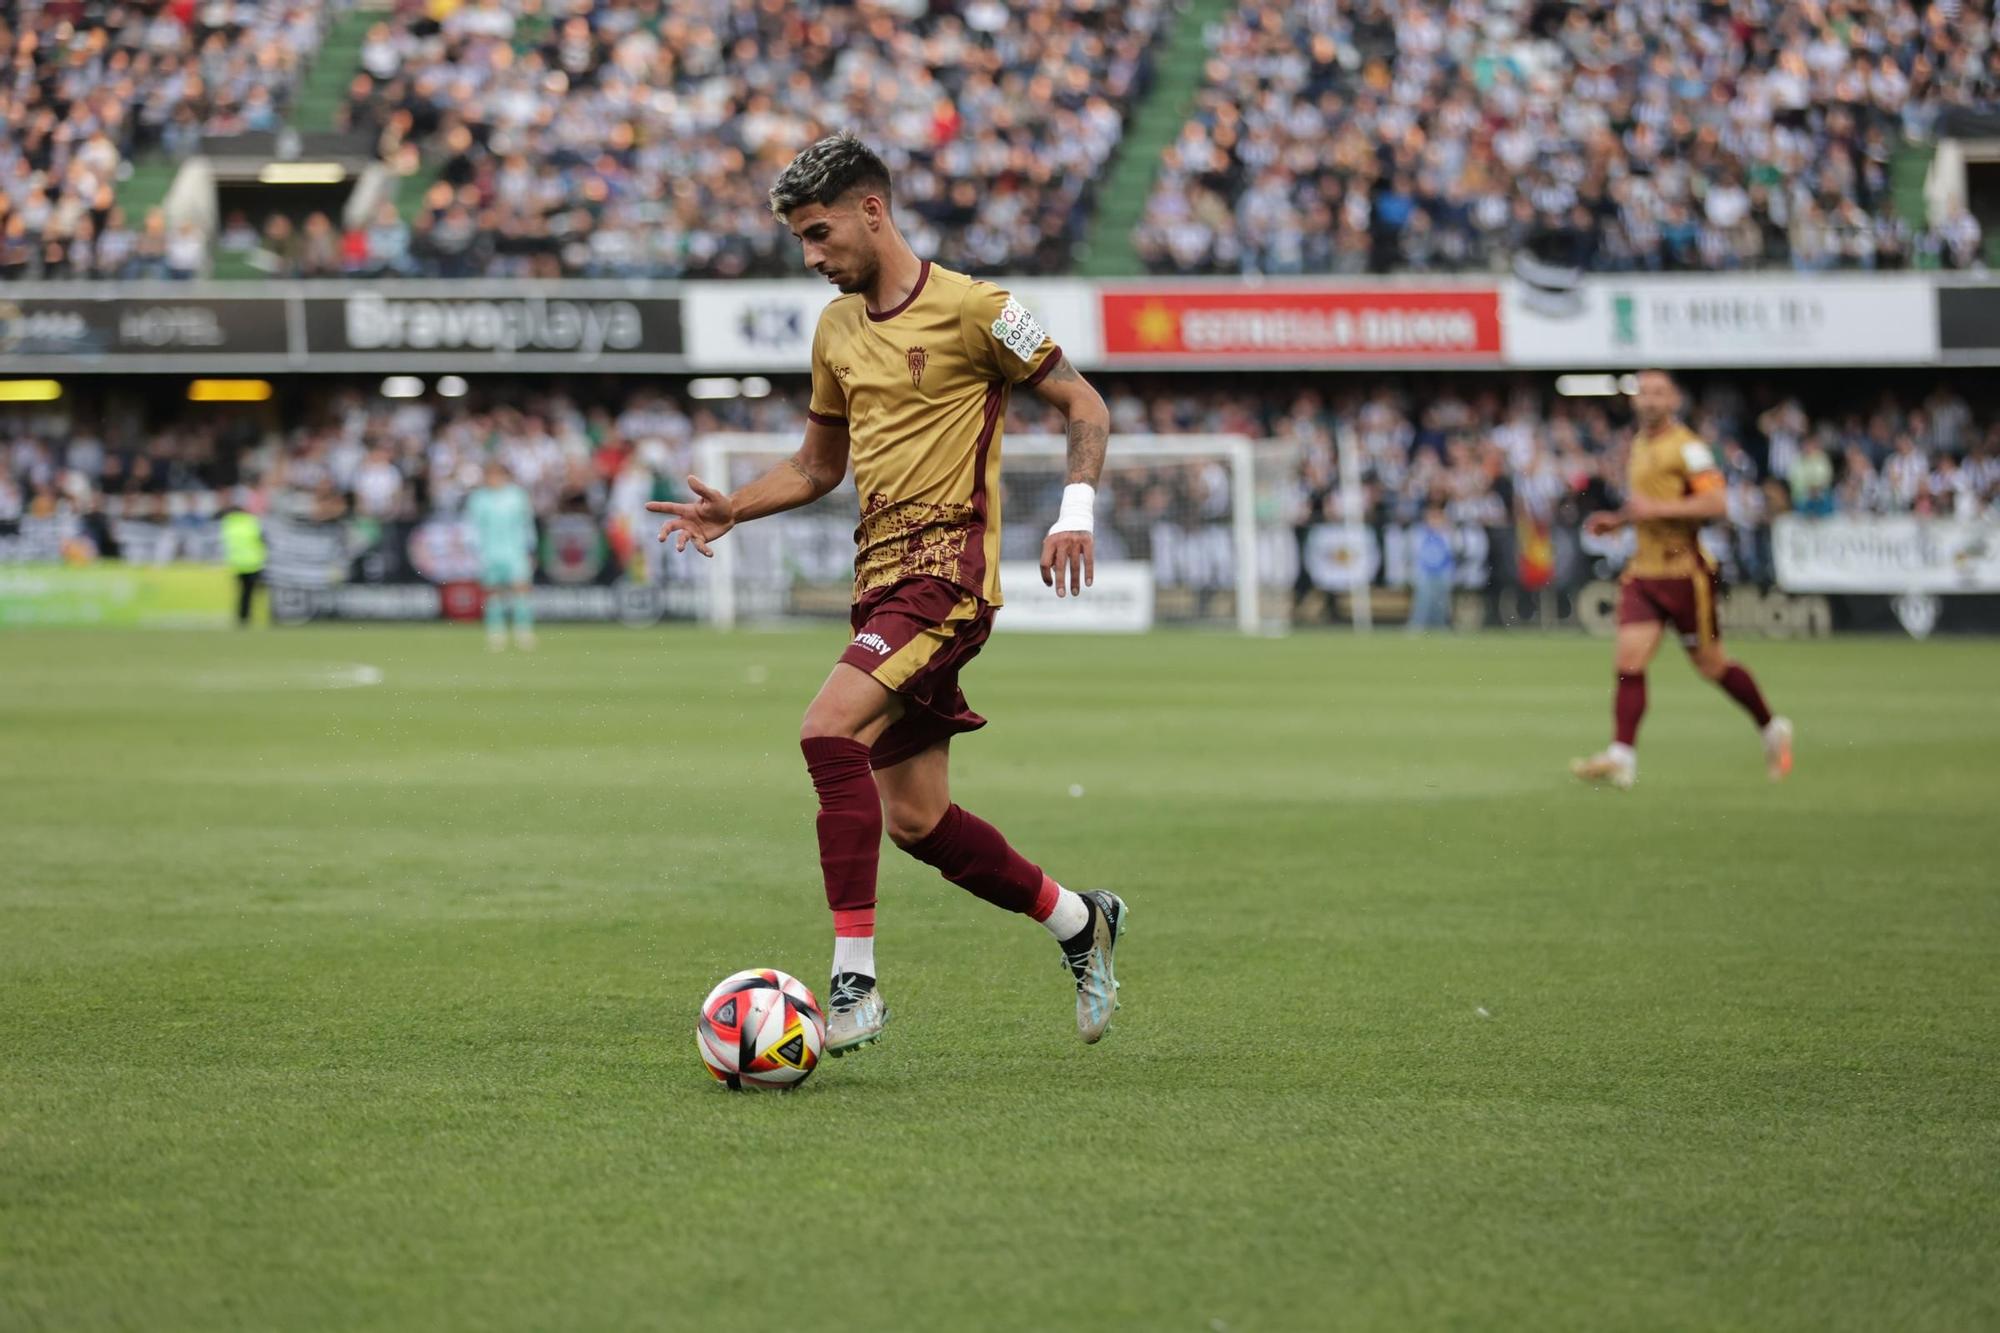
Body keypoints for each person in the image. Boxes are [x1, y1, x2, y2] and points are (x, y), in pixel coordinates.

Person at [647, 133, 1125, 1054]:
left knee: (826, 730)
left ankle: (854, 982)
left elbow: (1085, 405)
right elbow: (819, 465)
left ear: (874, 210)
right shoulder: (834, 330)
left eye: (820, 234)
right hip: (880, 588)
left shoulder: (983, 310)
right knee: (916, 819)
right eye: (800, 241)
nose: (812, 257)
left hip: (947, 581)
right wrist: (734, 510)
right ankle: (1080, 920)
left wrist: (1076, 510)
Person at [1571, 371, 1792, 789]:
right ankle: (1622, 756)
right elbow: (1646, 506)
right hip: (1643, 571)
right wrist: (1618, 521)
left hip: (1685, 574)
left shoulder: (1689, 447)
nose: (1649, 400)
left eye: (1658, 393)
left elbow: (1715, 502)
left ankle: (1770, 727)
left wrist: (1652, 510)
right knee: (1628, 661)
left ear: (1673, 401)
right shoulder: (1638, 443)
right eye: (1643, 393)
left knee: (1712, 667)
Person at [466, 460, 537, 650]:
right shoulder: (479, 498)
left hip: (515, 551)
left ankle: (523, 631)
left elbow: (526, 524)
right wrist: (474, 551)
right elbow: (472, 527)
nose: (494, 479)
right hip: (489, 552)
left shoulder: (517, 496)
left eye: (498, 475)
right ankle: (496, 633)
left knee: (520, 589)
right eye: (490, 475)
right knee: (493, 593)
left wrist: (530, 548)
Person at [218, 499, 266, 626]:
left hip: (237, 565)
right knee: (252, 592)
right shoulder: (251, 522)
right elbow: (262, 539)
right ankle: (250, 615)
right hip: (254, 564)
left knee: (242, 593)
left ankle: (242, 616)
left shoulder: (227, 524)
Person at [1408, 503, 1455, 630]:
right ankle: (1417, 626)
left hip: (1443, 572)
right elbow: (1415, 553)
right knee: (1422, 601)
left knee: (1441, 603)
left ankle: (1440, 626)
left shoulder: (1447, 533)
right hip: (1424, 573)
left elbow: (1452, 551)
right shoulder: (1419, 533)